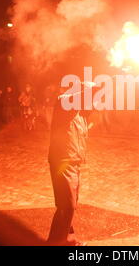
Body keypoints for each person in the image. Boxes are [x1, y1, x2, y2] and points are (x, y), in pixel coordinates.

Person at [46, 81, 94, 246]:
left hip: (73, 161)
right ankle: (55, 242)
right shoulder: (63, 101)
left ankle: (67, 239)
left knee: (69, 203)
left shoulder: (80, 114)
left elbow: (92, 104)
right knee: (67, 204)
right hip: (63, 161)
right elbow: (78, 99)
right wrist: (91, 87)